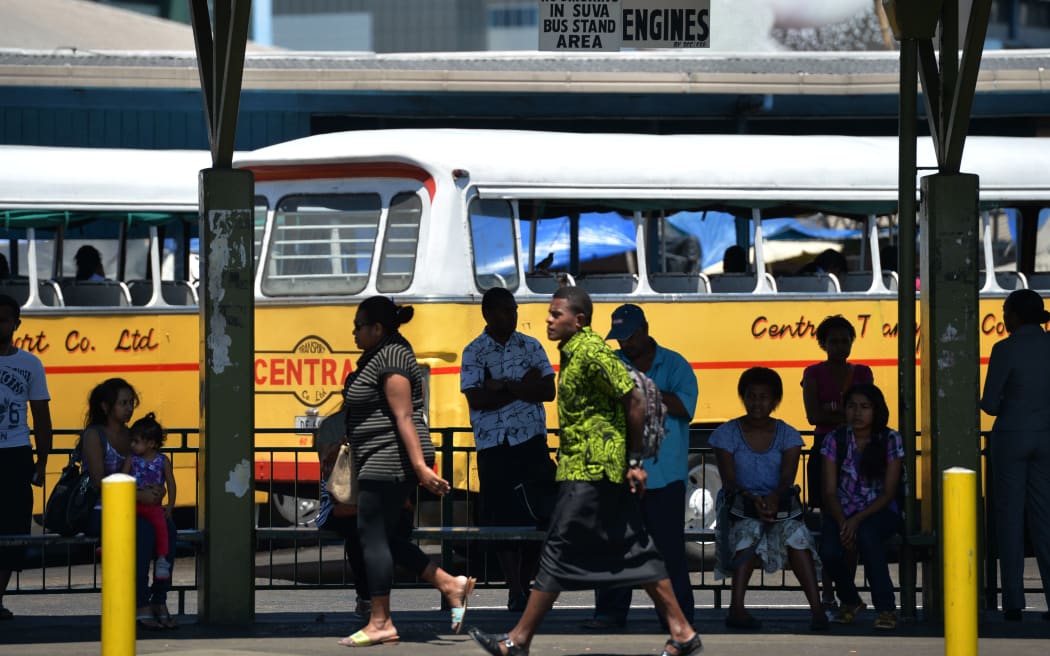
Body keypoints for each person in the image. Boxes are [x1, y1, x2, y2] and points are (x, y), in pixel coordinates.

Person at [469, 287, 702, 656]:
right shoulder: (576, 351)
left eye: (556, 314)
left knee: (558, 551)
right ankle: (683, 633)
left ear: (578, 320)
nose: (548, 319)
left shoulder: (592, 353)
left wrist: (636, 460)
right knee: (636, 551)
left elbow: (636, 398)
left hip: (593, 470)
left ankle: (518, 640)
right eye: (548, 313)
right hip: (588, 469)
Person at [340, 295, 475, 647]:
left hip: (389, 459)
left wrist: (420, 468)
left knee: (371, 537)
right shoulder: (379, 354)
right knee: (388, 540)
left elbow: (403, 416)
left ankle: (381, 621)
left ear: (377, 328)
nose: (353, 333)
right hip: (379, 457)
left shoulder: (393, 356)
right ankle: (450, 584)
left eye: (358, 326)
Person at [585, 303, 698, 630]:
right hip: (620, 473)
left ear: (644, 331)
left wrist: (643, 391)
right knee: (614, 548)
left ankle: (677, 619)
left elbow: (683, 406)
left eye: (629, 337)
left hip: (665, 477)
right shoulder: (612, 364)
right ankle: (609, 613)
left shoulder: (674, 364)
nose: (623, 344)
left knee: (669, 554)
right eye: (618, 338)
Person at [461, 287, 556, 613]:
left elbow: (548, 390)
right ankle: (514, 588)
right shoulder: (474, 352)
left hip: (530, 442)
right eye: (505, 310)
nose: (512, 315)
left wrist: (502, 385)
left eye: (514, 310)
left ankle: (527, 582)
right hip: (494, 446)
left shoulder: (530, 346)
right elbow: (477, 399)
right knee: (500, 519)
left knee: (538, 515)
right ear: (488, 313)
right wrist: (523, 388)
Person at [710, 367, 826, 632]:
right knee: (747, 534)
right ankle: (736, 609)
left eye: (764, 397)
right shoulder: (726, 434)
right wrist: (753, 500)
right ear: (743, 397)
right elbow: (729, 481)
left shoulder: (788, 434)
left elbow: (787, 479)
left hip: (779, 505)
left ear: (775, 401)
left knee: (797, 536)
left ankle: (817, 610)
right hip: (739, 506)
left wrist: (772, 500)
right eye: (751, 396)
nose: (757, 402)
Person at [80, 378, 177, 630]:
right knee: (142, 533)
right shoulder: (94, 435)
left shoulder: (134, 435)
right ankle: (140, 603)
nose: (129, 409)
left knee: (170, 529)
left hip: (134, 508)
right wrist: (139, 495)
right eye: (122, 403)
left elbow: (150, 468)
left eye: (131, 403)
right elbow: (101, 482)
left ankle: (160, 598)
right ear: (105, 406)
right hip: (102, 510)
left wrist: (158, 491)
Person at [980, 289, 1050, 622]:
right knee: (1045, 521)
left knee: (1009, 520)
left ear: (1015, 316)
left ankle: (1013, 601)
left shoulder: (1004, 349)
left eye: (1006, 312)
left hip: (1010, 437)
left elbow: (990, 404)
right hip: (1047, 437)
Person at [314, 405, 417, 622]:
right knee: (363, 528)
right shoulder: (338, 428)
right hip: (349, 505)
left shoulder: (383, 425)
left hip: (367, 507)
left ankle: (370, 600)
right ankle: (373, 600)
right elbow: (333, 487)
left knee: (370, 528)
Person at [801, 314, 873, 612]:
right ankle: (831, 592)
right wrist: (848, 417)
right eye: (834, 341)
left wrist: (835, 416)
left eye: (845, 341)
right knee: (831, 525)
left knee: (849, 529)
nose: (840, 346)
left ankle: (846, 591)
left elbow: (824, 414)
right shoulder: (814, 373)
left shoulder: (863, 372)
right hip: (827, 454)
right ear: (823, 344)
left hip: (857, 455)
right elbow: (813, 416)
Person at [820, 383, 903, 631]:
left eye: (865, 407)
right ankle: (851, 601)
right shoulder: (835, 439)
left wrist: (856, 522)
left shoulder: (890, 439)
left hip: (879, 511)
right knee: (829, 550)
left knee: (868, 536)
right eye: (852, 406)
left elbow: (889, 493)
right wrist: (844, 522)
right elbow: (829, 490)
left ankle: (886, 608)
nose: (857, 413)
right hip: (842, 510)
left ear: (876, 411)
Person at [0, 294, 52, 620]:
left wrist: (43, 462)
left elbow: (42, 418)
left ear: (17, 324)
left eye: (4, 319)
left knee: (13, 531)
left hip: (16, 455)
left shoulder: (30, 364)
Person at [120, 412, 176, 581]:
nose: (132, 445)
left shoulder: (163, 461)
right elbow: (122, 480)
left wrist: (170, 505)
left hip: (153, 506)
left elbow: (171, 483)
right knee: (122, 523)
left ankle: (161, 558)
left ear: (151, 443)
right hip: (133, 503)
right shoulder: (132, 459)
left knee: (162, 527)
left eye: (136, 441)